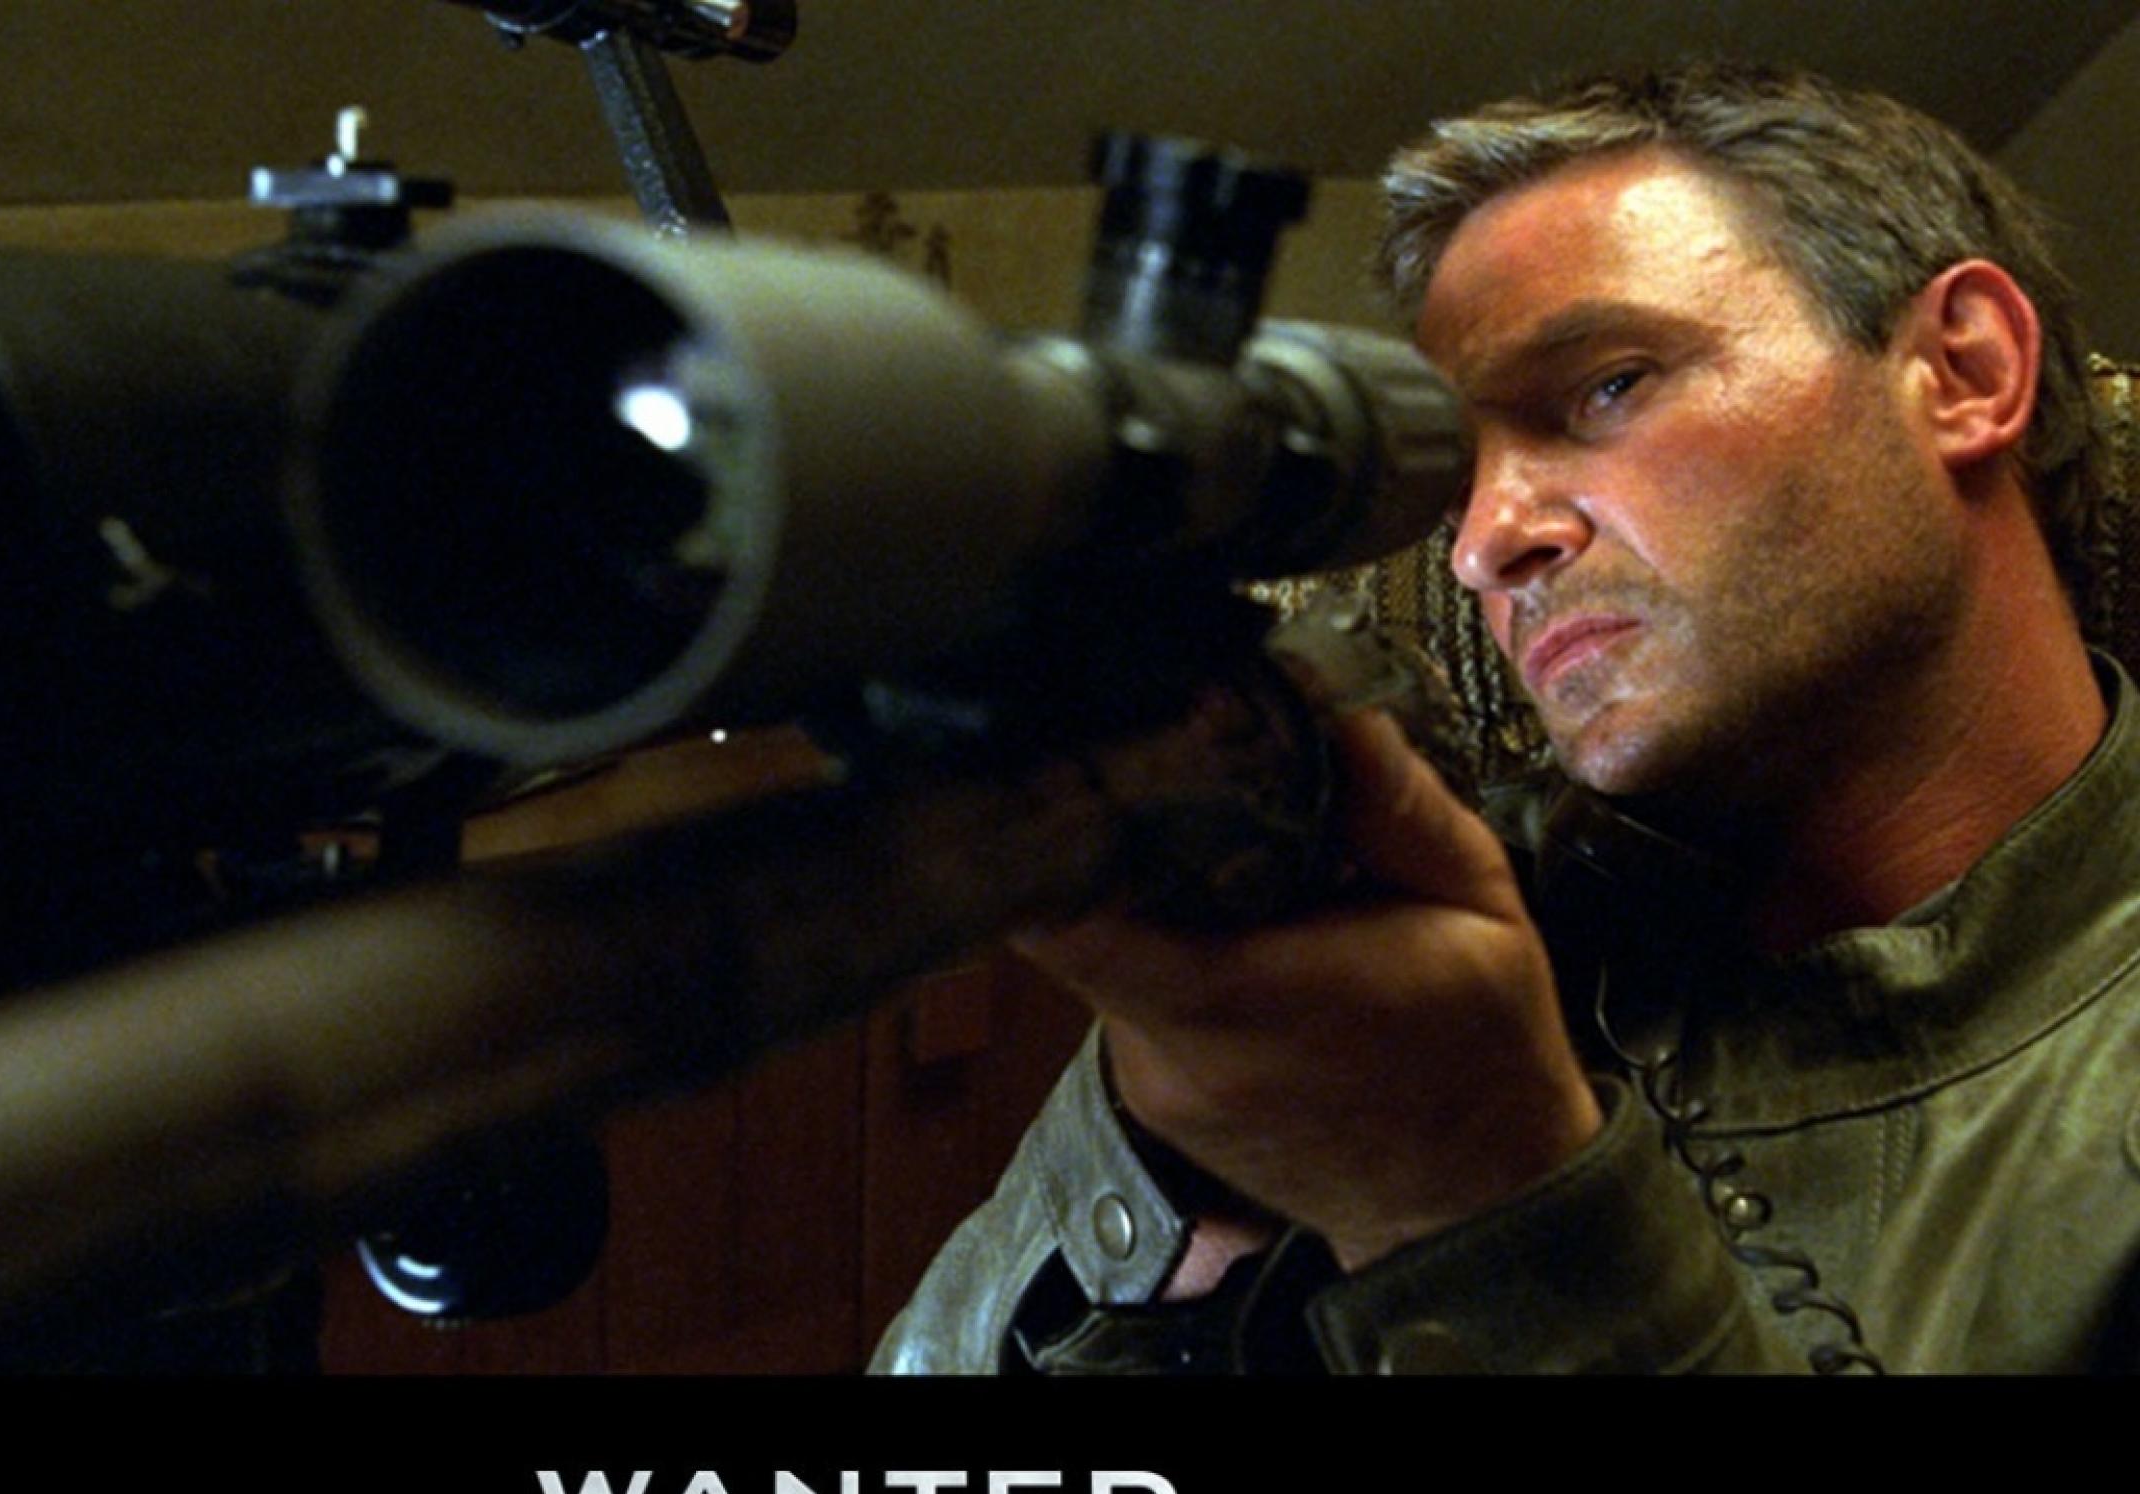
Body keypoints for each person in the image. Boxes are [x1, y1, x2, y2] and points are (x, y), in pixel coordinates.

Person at [874, 62, 2140, 1374]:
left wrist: (1468, 1196)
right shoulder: (1408, 933)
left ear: (1961, 369)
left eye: (1607, 387)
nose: (1484, 544)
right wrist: (1178, 1198)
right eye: (1458, 474)